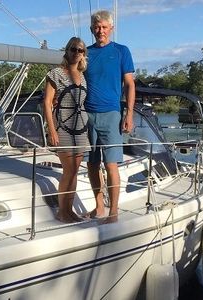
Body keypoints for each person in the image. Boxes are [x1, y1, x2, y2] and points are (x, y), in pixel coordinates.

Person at [84, 10, 135, 223]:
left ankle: (113, 211)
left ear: (111, 28)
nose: (100, 31)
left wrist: (129, 113)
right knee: (92, 165)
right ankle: (99, 208)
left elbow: (130, 84)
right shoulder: (85, 53)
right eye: (97, 27)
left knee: (111, 164)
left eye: (104, 27)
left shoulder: (121, 51)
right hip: (87, 115)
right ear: (92, 29)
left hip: (112, 114)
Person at [43, 37, 91, 223]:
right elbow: (47, 103)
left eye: (80, 50)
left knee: (75, 171)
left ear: (83, 55)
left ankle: (69, 211)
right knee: (68, 171)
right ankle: (62, 212)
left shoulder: (83, 76)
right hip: (62, 126)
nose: (76, 53)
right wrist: (52, 130)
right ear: (67, 51)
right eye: (73, 49)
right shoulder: (56, 73)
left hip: (80, 127)